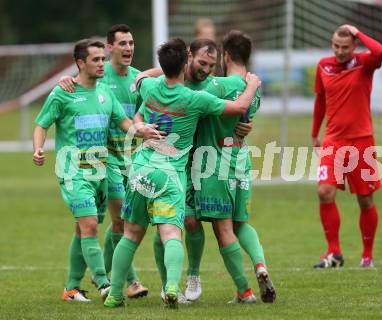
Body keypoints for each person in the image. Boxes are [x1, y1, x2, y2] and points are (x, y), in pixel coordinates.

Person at [103, 38, 261, 308]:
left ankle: (115, 295)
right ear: (187, 61)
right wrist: (253, 85)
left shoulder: (150, 88)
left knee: (130, 235)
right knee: (172, 235)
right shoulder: (194, 99)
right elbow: (238, 108)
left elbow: (141, 78)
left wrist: (141, 127)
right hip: (171, 175)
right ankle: (173, 287)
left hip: (141, 169)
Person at [33, 39, 156, 302]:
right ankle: (103, 283)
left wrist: (140, 130)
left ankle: (71, 288)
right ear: (80, 63)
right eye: (96, 59)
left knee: (85, 228)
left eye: (103, 59)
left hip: (101, 169)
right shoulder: (62, 92)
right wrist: (38, 148)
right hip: (73, 169)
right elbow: (42, 124)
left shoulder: (104, 92)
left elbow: (122, 122)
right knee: (89, 225)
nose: (102, 64)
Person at [58, 24, 149, 298]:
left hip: (130, 158)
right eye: (122, 43)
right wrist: (67, 80)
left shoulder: (138, 79)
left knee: (92, 224)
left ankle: (75, 285)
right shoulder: (97, 75)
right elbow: (77, 85)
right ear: (109, 48)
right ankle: (124, 280)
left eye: (131, 43)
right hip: (101, 161)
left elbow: (152, 101)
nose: (129, 48)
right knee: (115, 218)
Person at [193, 30, 275, 303]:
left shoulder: (217, 85)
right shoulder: (256, 86)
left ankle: (244, 291)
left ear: (225, 55)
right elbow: (242, 121)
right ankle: (260, 265)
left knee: (223, 229)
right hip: (241, 158)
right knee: (242, 223)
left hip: (215, 162)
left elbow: (186, 87)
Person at [311, 24, 382, 268]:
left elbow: (381, 52)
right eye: (336, 46)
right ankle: (334, 253)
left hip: (362, 141)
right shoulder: (323, 65)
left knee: (365, 200)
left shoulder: (364, 63)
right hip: (333, 140)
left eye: (345, 47)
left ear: (354, 46)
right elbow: (320, 100)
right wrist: (315, 133)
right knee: (324, 192)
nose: (340, 51)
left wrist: (358, 31)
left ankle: (367, 256)